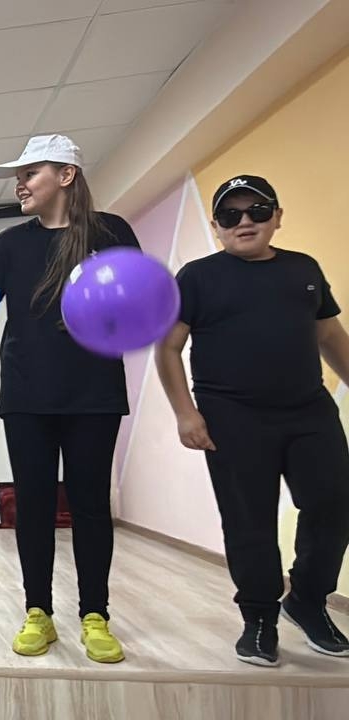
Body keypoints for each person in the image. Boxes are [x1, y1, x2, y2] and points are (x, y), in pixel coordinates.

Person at [155, 175, 349, 666]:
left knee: (333, 505)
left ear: (277, 217)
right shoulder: (197, 277)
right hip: (231, 415)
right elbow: (169, 348)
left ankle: (307, 601)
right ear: (217, 225)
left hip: (309, 410)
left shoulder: (303, 269)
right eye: (230, 215)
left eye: (258, 211)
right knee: (249, 521)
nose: (244, 222)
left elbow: (329, 336)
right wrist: (185, 413)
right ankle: (260, 618)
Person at [0, 134, 137, 662]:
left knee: (90, 505)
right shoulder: (7, 244)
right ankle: (38, 612)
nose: (20, 185)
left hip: (94, 393)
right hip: (26, 395)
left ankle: (95, 615)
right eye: (19, 177)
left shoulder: (111, 232)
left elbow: (132, 303)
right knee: (34, 505)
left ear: (66, 175)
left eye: (31, 174)